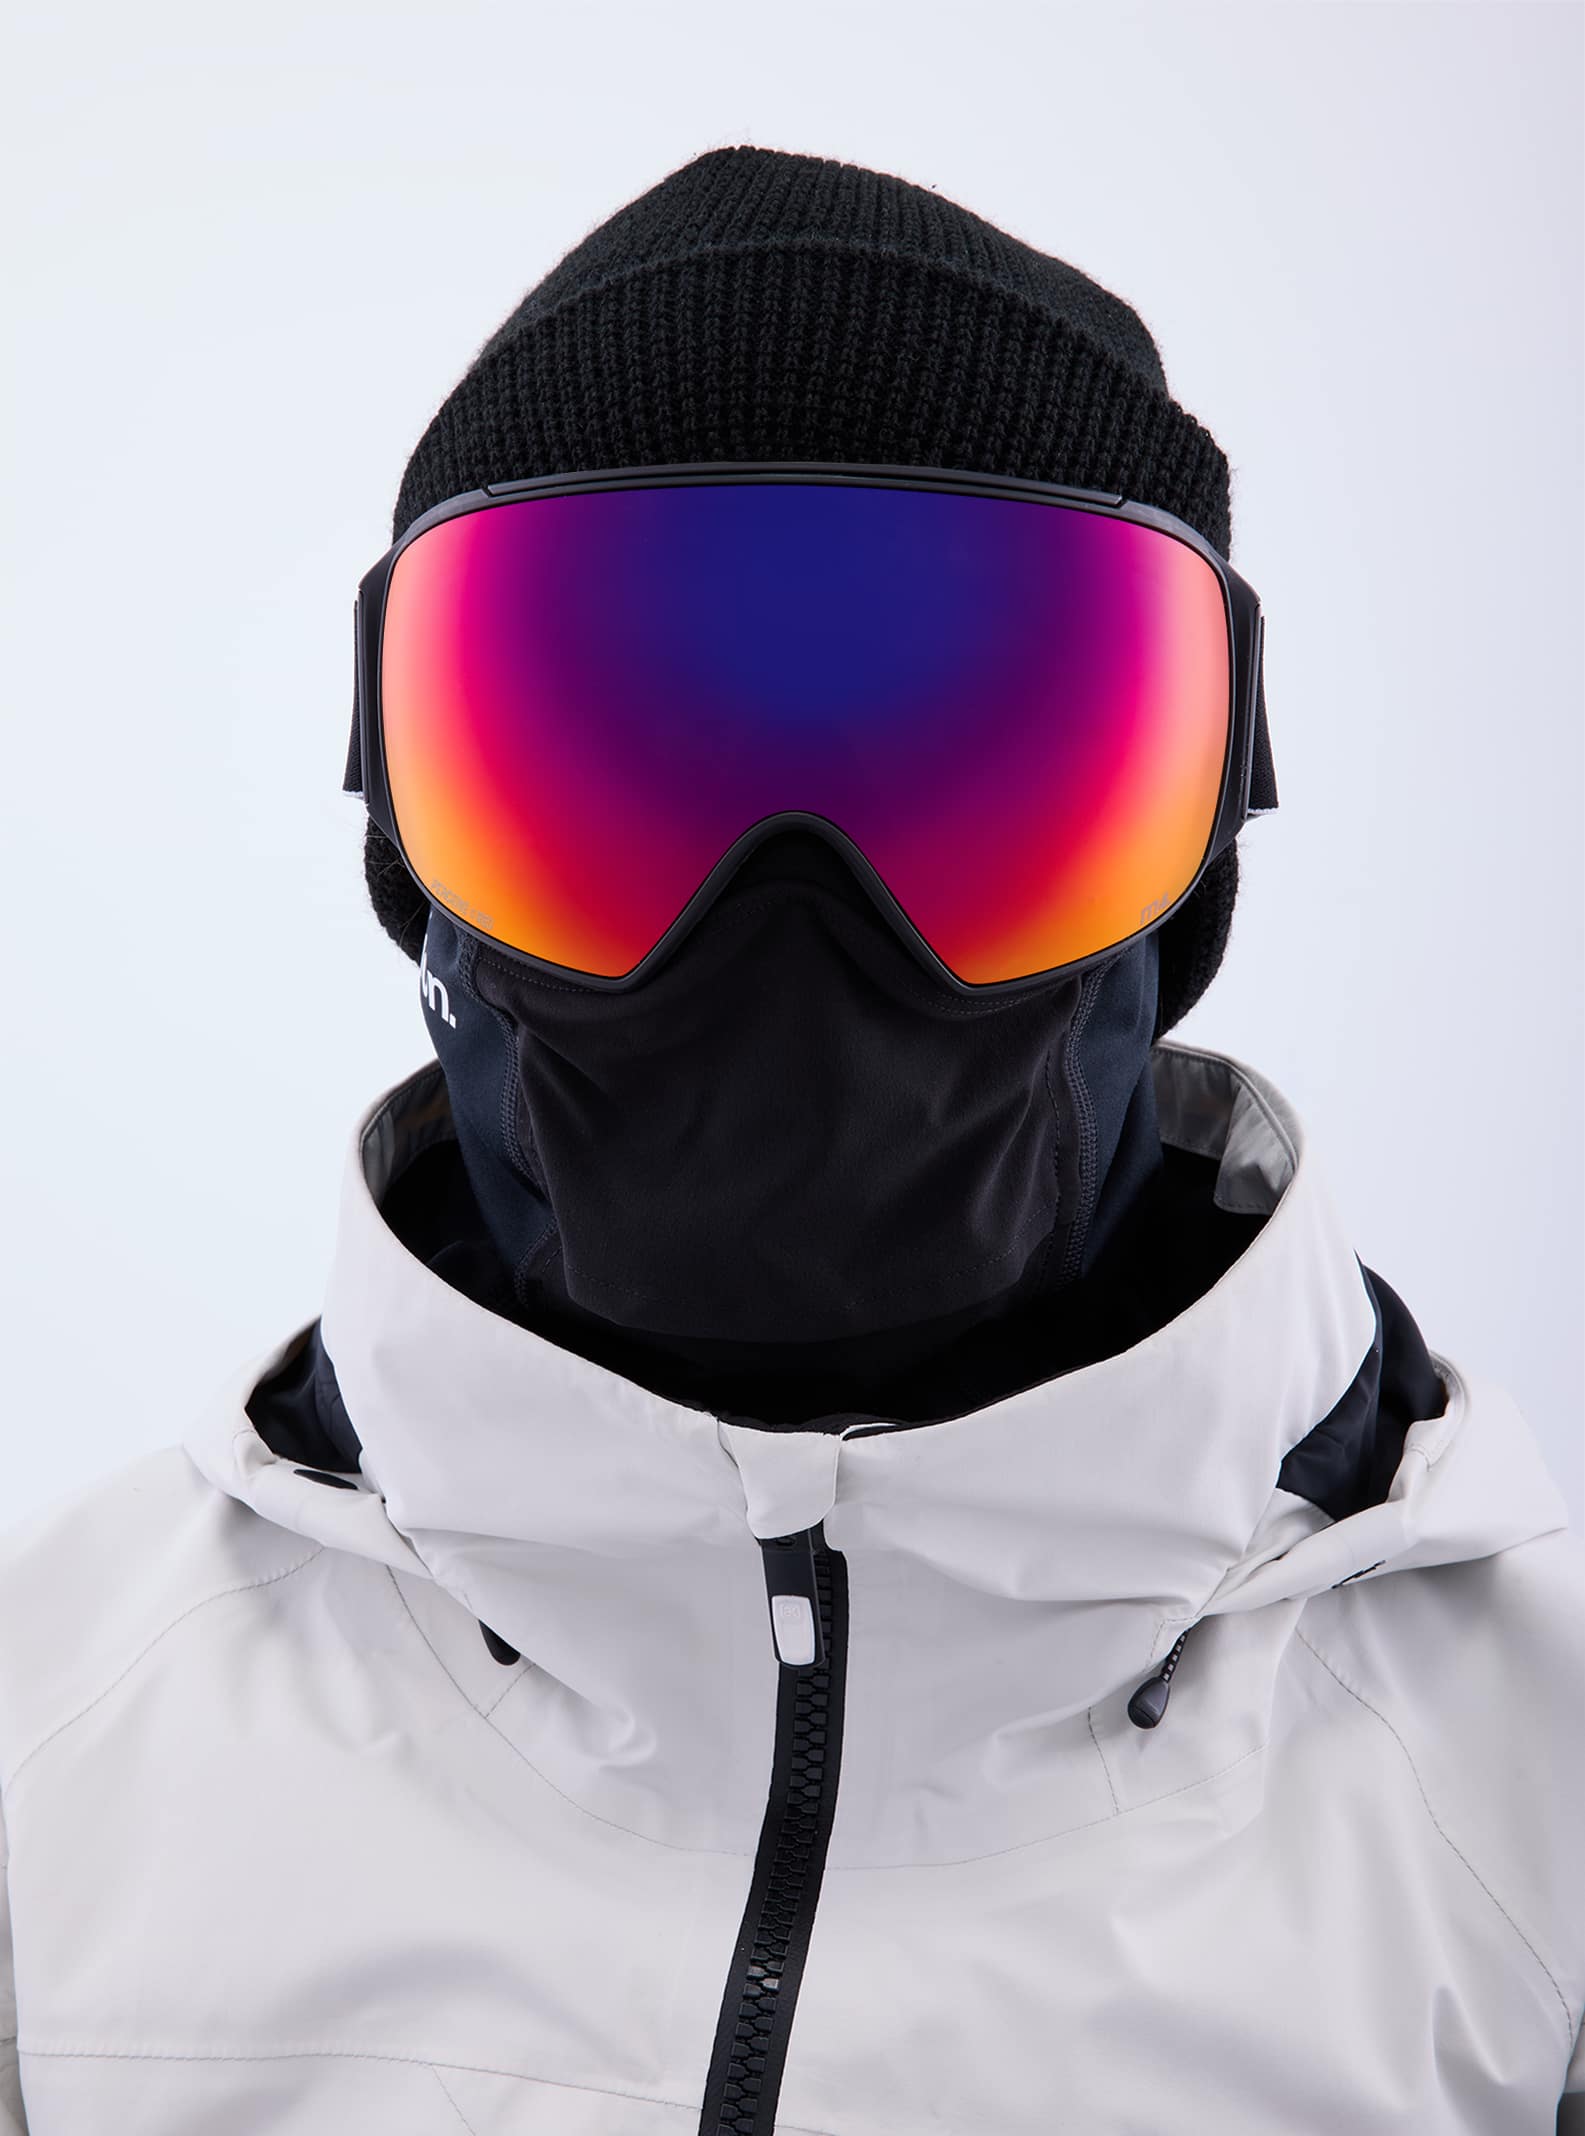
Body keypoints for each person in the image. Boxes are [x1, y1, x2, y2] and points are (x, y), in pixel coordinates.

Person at [1, 142, 1581, 2136]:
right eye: (612, 771)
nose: (789, 914)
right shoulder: (61, 1751)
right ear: (410, 857)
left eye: (977, 774)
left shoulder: (1533, 1787)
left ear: (1190, 866)